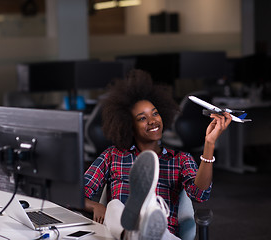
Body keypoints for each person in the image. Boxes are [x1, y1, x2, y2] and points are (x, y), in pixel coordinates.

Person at [83, 69, 232, 239]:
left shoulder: (180, 160)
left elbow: (200, 194)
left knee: (153, 229)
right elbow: (77, 194)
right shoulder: (113, 156)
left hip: (163, 235)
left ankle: (146, 224)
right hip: (120, 233)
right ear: (128, 125)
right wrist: (96, 206)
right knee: (114, 207)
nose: (152, 120)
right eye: (142, 118)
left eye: (155, 113)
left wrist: (209, 144)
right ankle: (132, 231)